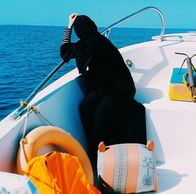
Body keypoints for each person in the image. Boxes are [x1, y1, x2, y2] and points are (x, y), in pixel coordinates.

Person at [60, 13, 146, 167]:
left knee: (101, 118)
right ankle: (95, 151)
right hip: (107, 88)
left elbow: (64, 52)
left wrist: (69, 27)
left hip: (119, 90)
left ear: (79, 31)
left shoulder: (88, 45)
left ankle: (103, 158)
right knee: (86, 107)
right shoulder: (98, 40)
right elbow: (68, 52)